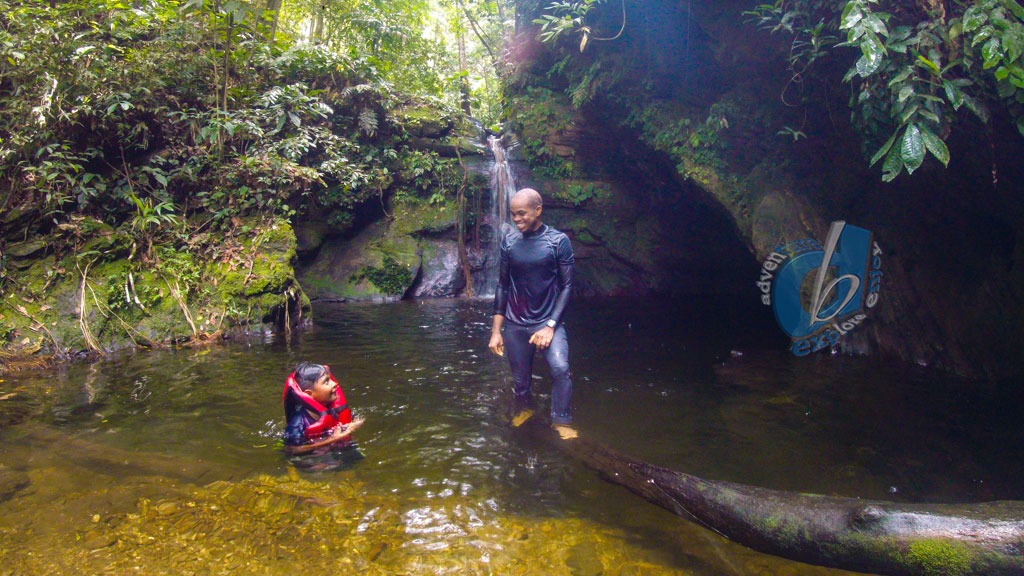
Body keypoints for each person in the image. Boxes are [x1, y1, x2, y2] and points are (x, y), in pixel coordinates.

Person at [489, 188, 578, 439]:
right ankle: (525, 409)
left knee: (560, 368)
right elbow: (502, 285)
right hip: (516, 323)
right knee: (520, 380)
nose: (516, 219)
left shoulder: (558, 241)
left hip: (548, 320)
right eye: (513, 215)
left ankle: (562, 420)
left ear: (538, 210)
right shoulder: (509, 242)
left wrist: (550, 325)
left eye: (521, 214)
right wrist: (496, 331)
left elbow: (568, 286)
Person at [282, 362, 365, 455]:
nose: (335, 384)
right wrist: (333, 439)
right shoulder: (298, 424)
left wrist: (353, 425)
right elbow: (292, 450)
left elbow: (353, 418)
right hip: (314, 459)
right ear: (309, 394)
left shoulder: (337, 409)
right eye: (326, 381)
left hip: (340, 448)